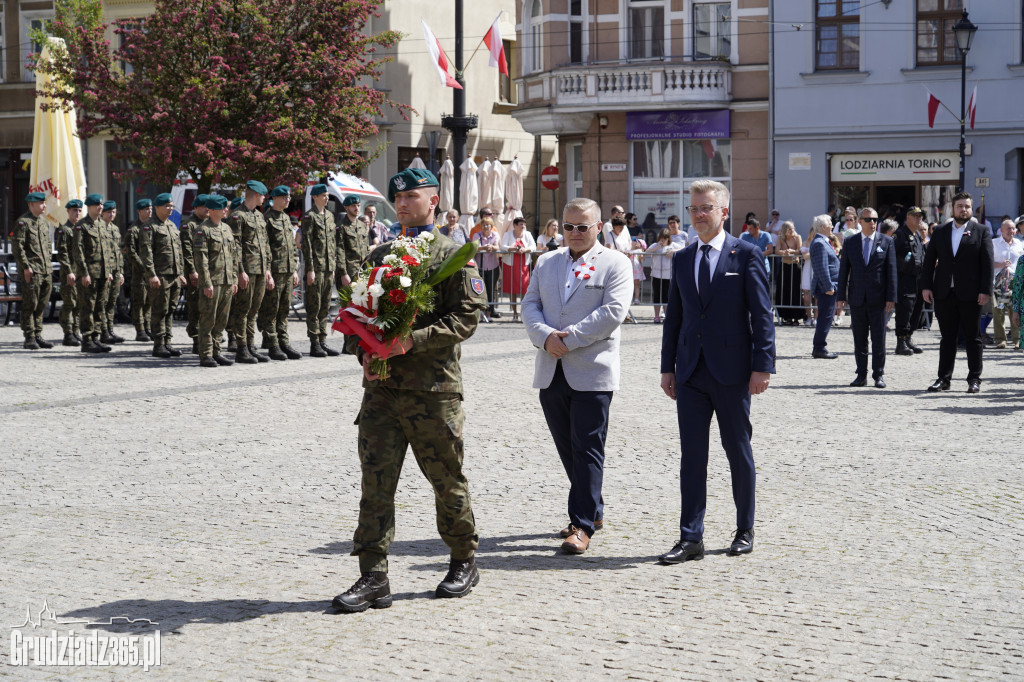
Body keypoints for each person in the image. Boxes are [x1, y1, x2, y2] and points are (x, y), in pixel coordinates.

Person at [332, 168, 488, 613]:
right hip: (381, 390)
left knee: (446, 480)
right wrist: (360, 347)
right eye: (398, 198)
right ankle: (373, 576)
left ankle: (463, 559)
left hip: (432, 391)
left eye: (412, 197)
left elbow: (466, 319)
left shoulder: (453, 255)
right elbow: (357, 310)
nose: (402, 204)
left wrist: (410, 340)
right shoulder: (380, 252)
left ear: (433, 201)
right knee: (376, 482)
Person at [658, 179, 775, 563]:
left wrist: (762, 367)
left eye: (706, 207)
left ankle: (745, 528)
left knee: (737, 450)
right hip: (691, 372)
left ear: (724, 211)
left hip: (733, 372)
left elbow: (762, 316)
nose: (698, 214)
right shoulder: (682, 257)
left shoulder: (746, 255)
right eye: (693, 208)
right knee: (692, 456)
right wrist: (667, 368)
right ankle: (691, 537)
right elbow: (674, 318)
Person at [521, 197, 632, 555]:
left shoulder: (615, 263)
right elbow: (530, 304)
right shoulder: (547, 261)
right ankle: (593, 509)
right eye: (569, 226)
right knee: (567, 448)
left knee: (587, 449)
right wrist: (544, 336)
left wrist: (568, 339)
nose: (575, 233)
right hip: (551, 368)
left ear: (598, 226)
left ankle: (581, 525)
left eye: (583, 226)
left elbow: (613, 312)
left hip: (592, 370)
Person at [921, 192, 994, 394]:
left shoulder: (981, 231)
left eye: (967, 207)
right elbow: (929, 262)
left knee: (973, 337)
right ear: (952, 209)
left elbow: (987, 264)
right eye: (960, 206)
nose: (964, 209)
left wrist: (985, 290)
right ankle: (943, 379)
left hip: (972, 294)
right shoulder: (941, 231)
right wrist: (926, 286)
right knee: (947, 338)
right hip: (944, 293)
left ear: (971, 210)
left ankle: (974, 379)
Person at [836, 207, 897, 388]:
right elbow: (843, 271)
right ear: (859, 221)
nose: (872, 223)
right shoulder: (851, 242)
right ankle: (861, 374)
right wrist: (841, 296)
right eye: (868, 219)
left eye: (875, 220)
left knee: (878, 339)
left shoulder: (886, 241)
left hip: (878, 299)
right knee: (859, 339)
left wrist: (891, 298)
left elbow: (891, 271)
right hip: (857, 298)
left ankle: (878, 374)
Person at [227, 180, 272, 364]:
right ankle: (241, 348)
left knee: (254, 311)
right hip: (246, 270)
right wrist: (240, 271)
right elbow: (234, 246)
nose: (264, 198)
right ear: (254, 194)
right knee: (242, 310)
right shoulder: (237, 216)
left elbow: (265, 245)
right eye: (262, 195)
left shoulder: (259, 216)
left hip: (260, 269)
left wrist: (267, 269)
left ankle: (251, 346)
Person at [193, 194, 239, 367]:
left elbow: (233, 256)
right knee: (208, 319)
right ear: (212, 210)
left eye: (226, 207)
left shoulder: (226, 229)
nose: (226, 209)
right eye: (222, 207)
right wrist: (206, 282)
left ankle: (217, 352)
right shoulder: (203, 230)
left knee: (222, 320)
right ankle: (205, 354)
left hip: (226, 280)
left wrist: (234, 279)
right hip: (212, 281)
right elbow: (201, 259)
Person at [140, 193, 187, 359]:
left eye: (172, 206)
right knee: (159, 309)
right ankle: (158, 344)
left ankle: (167, 342)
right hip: (159, 276)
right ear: (157, 207)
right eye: (167, 206)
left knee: (170, 310)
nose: (170, 209)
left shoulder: (172, 226)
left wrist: (180, 273)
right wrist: (152, 275)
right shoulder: (149, 226)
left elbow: (178, 252)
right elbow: (147, 253)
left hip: (173, 275)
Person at [258, 186, 302, 360]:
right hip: (275, 271)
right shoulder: (267, 219)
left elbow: (291, 246)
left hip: (288, 271)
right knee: (271, 309)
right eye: (284, 197)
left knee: (284, 309)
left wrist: (295, 270)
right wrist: (267, 271)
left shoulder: (285, 218)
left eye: (289, 197)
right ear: (275, 198)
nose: (288, 200)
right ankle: (272, 344)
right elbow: (265, 248)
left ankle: (283, 342)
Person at [300, 183, 339, 357]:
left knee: (325, 305)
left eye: (327, 195)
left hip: (329, 267)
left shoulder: (330, 216)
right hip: (315, 268)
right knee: (313, 306)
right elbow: (306, 244)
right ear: (315, 197)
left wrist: (334, 266)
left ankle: (322, 340)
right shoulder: (309, 217)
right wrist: (309, 269)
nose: (327, 197)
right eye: (323, 195)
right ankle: (314, 342)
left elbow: (333, 243)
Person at [73, 193, 115, 353]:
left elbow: (108, 250)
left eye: (102, 205)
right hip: (89, 274)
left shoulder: (103, 225)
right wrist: (84, 273)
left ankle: (96, 338)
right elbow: (78, 251)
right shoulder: (82, 226)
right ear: (89, 206)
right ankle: (87, 339)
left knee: (100, 307)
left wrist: (109, 271)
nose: (101, 207)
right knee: (88, 306)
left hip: (103, 274)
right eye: (97, 205)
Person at [12, 192, 55, 350]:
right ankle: (29, 337)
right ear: (31, 205)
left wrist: (48, 263)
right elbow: (18, 247)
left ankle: (38, 334)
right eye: (41, 203)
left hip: (45, 270)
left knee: (42, 304)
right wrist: (26, 267)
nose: (44, 206)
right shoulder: (23, 223)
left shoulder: (43, 222)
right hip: (32, 270)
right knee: (31, 304)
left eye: (44, 202)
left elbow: (48, 245)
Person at [893, 206, 927, 356]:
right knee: (905, 310)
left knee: (916, 309)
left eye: (920, 216)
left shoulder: (918, 236)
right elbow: (893, 257)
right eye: (915, 216)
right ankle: (900, 342)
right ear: (907, 217)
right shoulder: (899, 235)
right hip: (904, 279)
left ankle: (908, 338)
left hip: (918, 279)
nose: (918, 219)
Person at [122, 198, 154, 342]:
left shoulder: (151, 228)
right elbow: (131, 253)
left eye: (151, 208)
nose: (150, 211)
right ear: (139, 211)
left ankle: (147, 327)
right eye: (146, 209)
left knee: (149, 302)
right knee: (139, 302)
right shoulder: (133, 230)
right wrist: (144, 267)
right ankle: (140, 330)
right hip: (139, 273)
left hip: (151, 273)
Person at [809, 215, 839, 359]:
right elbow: (822, 268)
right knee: (825, 318)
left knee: (826, 317)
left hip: (828, 286)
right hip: (826, 287)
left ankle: (819, 346)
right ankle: (819, 347)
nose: (832, 226)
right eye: (830, 224)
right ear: (822, 227)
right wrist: (829, 286)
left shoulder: (823, 242)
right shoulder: (820, 243)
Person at [181, 194, 209, 353]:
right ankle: (196, 339)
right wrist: (191, 271)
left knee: (208, 306)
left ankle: (206, 337)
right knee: (195, 307)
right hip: (196, 273)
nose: (207, 209)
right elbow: (187, 251)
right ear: (195, 207)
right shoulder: (188, 225)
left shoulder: (209, 224)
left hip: (208, 273)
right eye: (203, 206)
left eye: (208, 206)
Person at [991, 218, 1023, 349]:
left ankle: (1016, 339)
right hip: (998, 282)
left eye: (1013, 228)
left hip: (1015, 282)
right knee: (998, 311)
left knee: (1014, 311)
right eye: (1008, 228)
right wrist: (1000, 264)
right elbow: (986, 262)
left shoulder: (1020, 244)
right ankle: (1000, 339)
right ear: (1001, 230)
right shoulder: (993, 243)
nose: (1012, 231)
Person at [55, 199, 83, 346]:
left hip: (80, 272)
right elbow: (62, 253)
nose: (77, 213)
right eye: (74, 210)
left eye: (79, 210)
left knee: (79, 303)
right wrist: (69, 271)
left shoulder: (80, 229)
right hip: (70, 273)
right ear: (68, 211)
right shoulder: (64, 230)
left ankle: (75, 331)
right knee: (69, 303)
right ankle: (68, 334)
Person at [99, 201, 126, 345]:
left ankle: (110, 330)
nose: (111, 214)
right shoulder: (100, 228)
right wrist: (107, 271)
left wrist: (120, 271)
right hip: (105, 271)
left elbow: (118, 253)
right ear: (103, 213)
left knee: (111, 302)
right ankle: (103, 332)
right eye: (109, 212)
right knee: (103, 302)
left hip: (116, 270)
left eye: (114, 212)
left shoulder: (115, 229)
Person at [500, 217, 536, 322]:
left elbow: (533, 246)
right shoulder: (508, 234)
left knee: (524, 289)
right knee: (512, 289)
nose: (523, 226)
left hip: (523, 266)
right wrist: (513, 249)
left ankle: (523, 312)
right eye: (521, 224)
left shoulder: (528, 234)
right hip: (510, 265)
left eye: (524, 224)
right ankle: (515, 313)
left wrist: (526, 249)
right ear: (515, 225)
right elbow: (503, 246)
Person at [645, 228, 683, 323]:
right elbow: (646, 252)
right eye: (661, 238)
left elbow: (683, 248)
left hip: (668, 275)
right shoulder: (655, 245)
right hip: (656, 274)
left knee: (666, 296)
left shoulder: (672, 245)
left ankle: (666, 315)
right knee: (657, 295)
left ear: (668, 239)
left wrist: (674, 251)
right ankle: (656, 316)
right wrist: (657, 247)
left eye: (665, 239)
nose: (663, 241)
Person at [335, 195, 366, 295]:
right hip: (349, 272)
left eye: (358, 205)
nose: (356, 208)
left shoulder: (362, 225)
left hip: (363, 270)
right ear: (346, 207)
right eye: (353, 206)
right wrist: (343, 274)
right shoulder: (341, 227)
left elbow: (366, 248)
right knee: (348, 304)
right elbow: (339, 251)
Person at [775, 221, 804, 325]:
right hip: (784, 266)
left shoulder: (797, 237)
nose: (792, 231)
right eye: (790, 229)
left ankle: (797, 317)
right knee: (784, 290)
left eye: (793, 228)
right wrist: (784, 252)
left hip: (795, 266)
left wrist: (791, 251)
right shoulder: (780, 238)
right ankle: (786, 316)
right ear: (785, 230)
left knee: (795, 290)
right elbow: (777, 251)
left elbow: (800, 250)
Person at [473, 217, 501, 320]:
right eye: (484, 225)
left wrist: (492, 247)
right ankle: (480, 314)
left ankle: (489, 313)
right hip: (480, 267)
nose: (486, 227)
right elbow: (475, 247)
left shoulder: (495, 235)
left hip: (493, 266)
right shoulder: (477, 235)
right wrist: (485, 247)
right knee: (480, 290)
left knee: (490, 290)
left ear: (491, 226)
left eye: (488, 225)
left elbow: (497, 246)